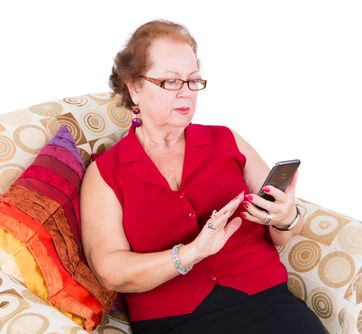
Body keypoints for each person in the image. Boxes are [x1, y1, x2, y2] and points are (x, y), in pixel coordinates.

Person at [80, 20, 325, 334]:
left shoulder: (227, 141)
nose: (186, 93)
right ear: (134, 86)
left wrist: (286, 217)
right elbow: (110, 271)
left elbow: (281, 228)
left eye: (193, 80)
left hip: (266, 301)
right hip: (175, 321)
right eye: (170, 81)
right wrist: (190, 253)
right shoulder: (105, 174)